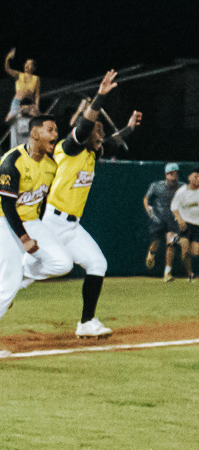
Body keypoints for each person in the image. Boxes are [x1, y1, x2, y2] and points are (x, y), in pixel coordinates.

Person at [42, 71, 141, 335]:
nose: (102, 134)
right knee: (26, 275)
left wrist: (130, 126)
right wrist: (100, 96)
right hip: (51, 223)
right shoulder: (69, 148)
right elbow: (85, 126)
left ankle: (86, 323)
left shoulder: (90, 153)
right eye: (98, 130)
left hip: (72, 227)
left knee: (98, 263)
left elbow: (114, 140)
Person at [0, 114, 69, 356]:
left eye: (56, 130)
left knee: (62, 262)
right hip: (2, 220)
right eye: (50, 129)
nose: (55, 135)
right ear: (34, 133)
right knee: (9, 282)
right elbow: (7, 205)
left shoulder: (51, 165)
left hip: (30, 220)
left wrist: (37, 232)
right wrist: (24, 239)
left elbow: (40, 203)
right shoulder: (12, 160)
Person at [144, 164, 182, 279]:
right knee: (155, 243)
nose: (172, 176)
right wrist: (149, 209)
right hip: (158, 219)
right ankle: (151, 254)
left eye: (174, 173)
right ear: (166, 175)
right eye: (170, 174)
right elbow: (146, 199)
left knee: (171, 243)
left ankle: (167, 272)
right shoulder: (156, 186)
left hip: (173, 220)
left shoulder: (183, 187)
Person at [171, 170, 199, 282]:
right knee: (185, 252)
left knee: (195, 252)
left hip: (197, 225)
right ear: (189, 178)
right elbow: (174, 207)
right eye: (196, 176)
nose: (198, 179)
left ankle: (175, 239)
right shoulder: (181, 192)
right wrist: (180, 219)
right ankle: (190, 273)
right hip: (185, 225)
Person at [4, 49, 40, 115]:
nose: (27, 65)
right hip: (18, 102)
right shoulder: (19, 74)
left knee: (28, 122)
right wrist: (7, 58)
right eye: (26, 63)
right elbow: (7, 69)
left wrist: (36, 106)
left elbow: (37, 95)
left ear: (34, 68)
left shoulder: (36, 78)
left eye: (30, 64)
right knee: (14, 120)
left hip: (29, 104)